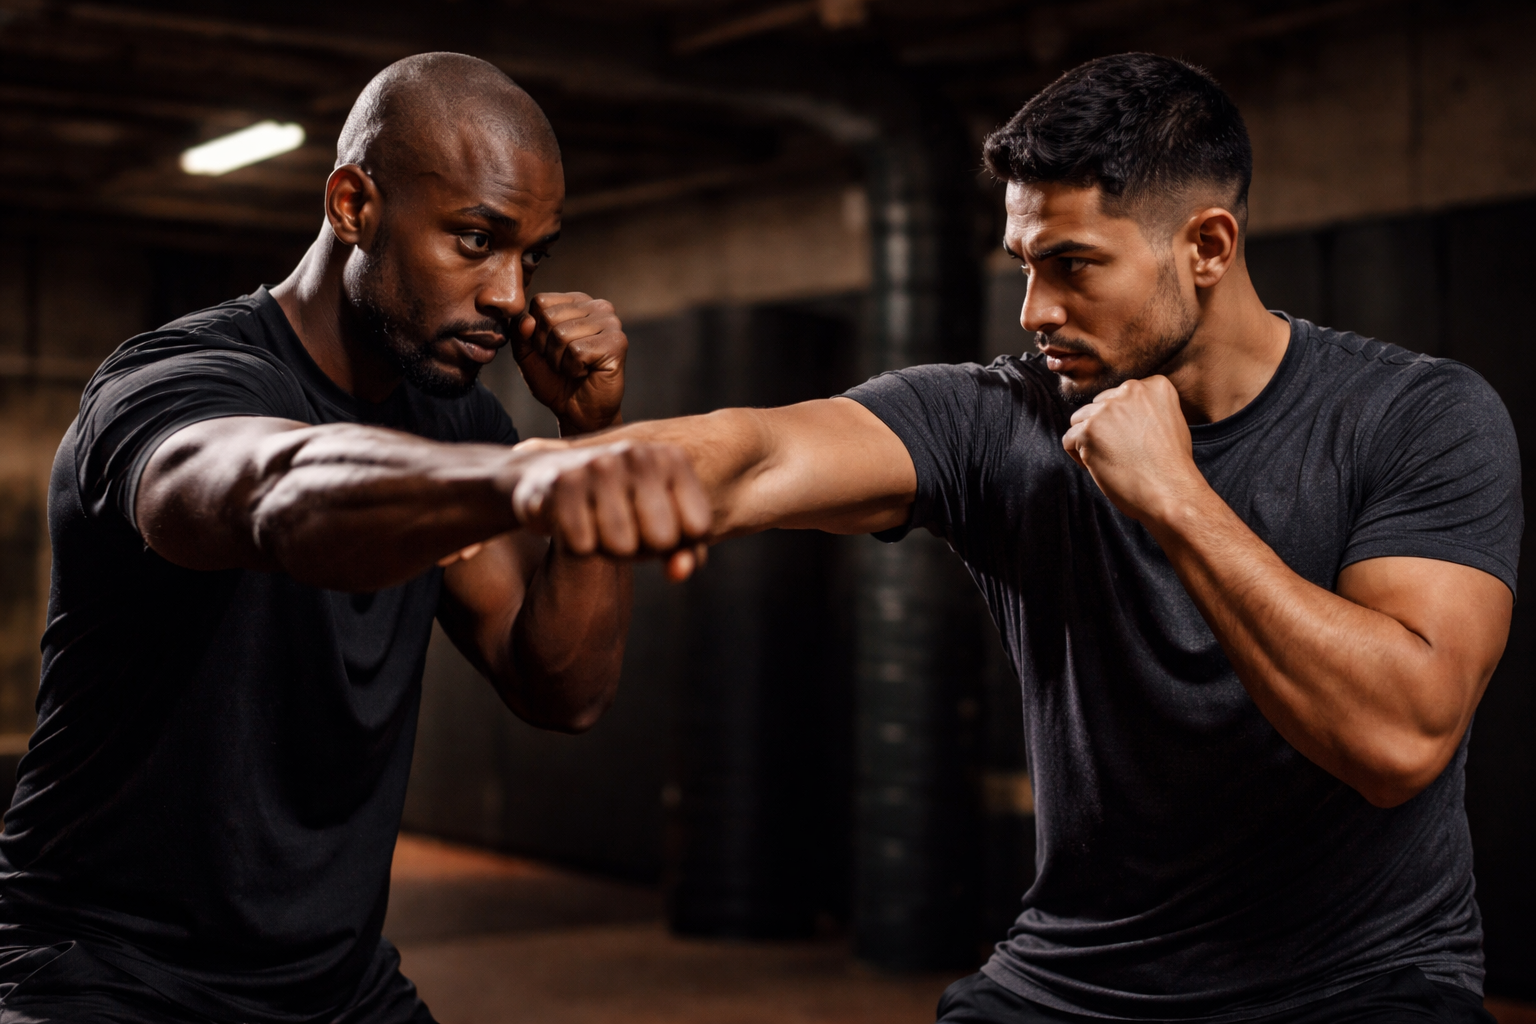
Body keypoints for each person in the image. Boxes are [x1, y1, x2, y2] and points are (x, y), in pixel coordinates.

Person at [539, 53, 1522, 1022]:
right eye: (1025, 264)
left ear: (1209, 247)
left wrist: (1176, 498)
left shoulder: (1417, 416)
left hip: (1354, 987)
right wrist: (567, 465)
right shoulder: (998, 418)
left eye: (1075, 266)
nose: (1034, 309)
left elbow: (1401, 736)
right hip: (1074, 985)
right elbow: (755, 450)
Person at [0, 53, 706, 1024]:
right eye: (474, 239)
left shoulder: (454, 419)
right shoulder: (175, 383)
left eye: (530, 255)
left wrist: (584, 436)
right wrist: (529, 479)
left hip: (336, 983)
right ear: (352, 204)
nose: (510, 295)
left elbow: (563, 688)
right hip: (109, 971)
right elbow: (277, 493)